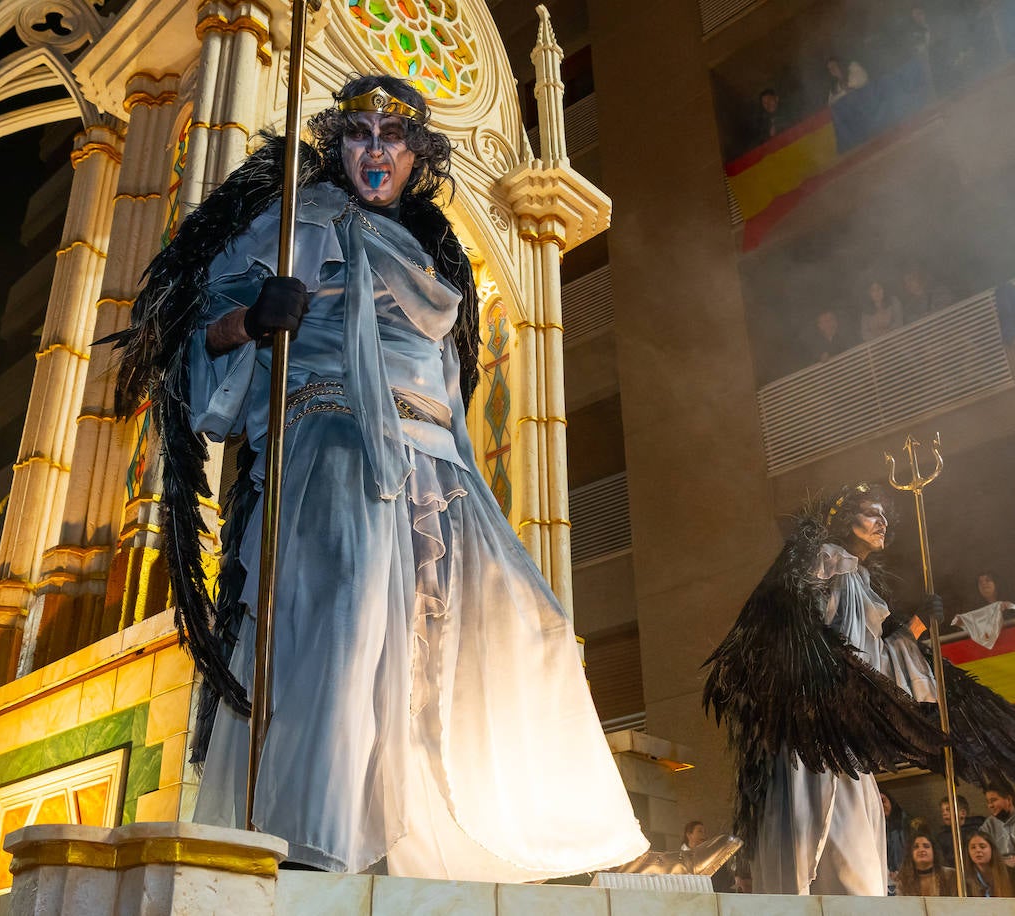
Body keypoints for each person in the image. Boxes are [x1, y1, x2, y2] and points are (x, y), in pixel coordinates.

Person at [112, 73, 648, 879]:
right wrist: (256, 318)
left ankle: (546, 836)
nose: (374, 150)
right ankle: (319, 843)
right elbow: (200, 342)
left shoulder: (436, 255)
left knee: (524, 620)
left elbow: (448, 383)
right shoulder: (296, 221)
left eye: (391, 138)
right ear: (340, 146)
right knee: (351, 624)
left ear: (415, 156)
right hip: (330, 448)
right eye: (358, 133)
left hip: (435, 465)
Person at [703, 483, 1015, 896]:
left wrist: (914, 625)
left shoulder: (860, 581)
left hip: (843, 740)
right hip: (810, 736)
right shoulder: (823, 559)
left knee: (860, 865)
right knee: (820, 849)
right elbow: (795, 634)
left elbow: (873, 661)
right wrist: (830, 679)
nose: (881, 522)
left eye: (884, 516)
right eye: (870, 513)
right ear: (844, 519)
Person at [964, 829, 1015, 897]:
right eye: (973, 847)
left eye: (982, 846)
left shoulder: (1012, 875)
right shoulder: (964, 879)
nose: (978, 850)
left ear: (992, 849)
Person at [937, 793, 986, 868]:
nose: (944, 813)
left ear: (963, 813)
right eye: (942, 811)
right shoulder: (942, 837)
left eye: (948, 810)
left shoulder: (977, 830)